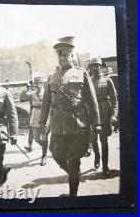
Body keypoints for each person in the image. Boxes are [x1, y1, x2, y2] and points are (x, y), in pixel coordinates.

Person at [39, 36, 101, 197]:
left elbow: (91, 100)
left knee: (73, 161)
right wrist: (41, 124)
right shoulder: (52, 76)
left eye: (65, 53)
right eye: (59, 54)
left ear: (72, 54)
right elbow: (46, 102)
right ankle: (75, 174)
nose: (62, 57)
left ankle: (73, 195)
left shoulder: (82, 74)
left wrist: (97, 123)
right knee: (56, 154)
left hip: (77, 124)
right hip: (58, 125)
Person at [88, 57, 118, 176]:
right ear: (90, 68)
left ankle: (105, 166)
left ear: (101, 67)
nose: (95, 68)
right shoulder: (88, 81)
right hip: (93, 115)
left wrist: (114, 115)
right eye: (92, 66)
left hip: (105, 114)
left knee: (104, 141)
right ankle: (97, 155)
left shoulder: (107, 81)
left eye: (97, 66)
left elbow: (114, 101)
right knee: (94, 141)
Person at [23, 75, 49, 166]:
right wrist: (27, 87)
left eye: (38, 83)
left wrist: (48, 121)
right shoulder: (32, 93)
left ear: (42, 84)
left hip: (43, 118)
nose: (36, 85)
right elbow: (22, 97)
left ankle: (44, 156)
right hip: (34, 117)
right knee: (36, 139)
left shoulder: (47, 93)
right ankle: (45, 147)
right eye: (35, 84)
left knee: (44, 137)